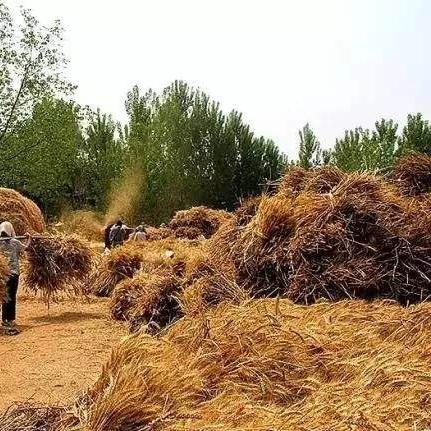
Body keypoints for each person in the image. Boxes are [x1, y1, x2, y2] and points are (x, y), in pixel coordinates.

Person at [0, 221, 29, 336]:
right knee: (11, 296)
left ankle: (4, 320)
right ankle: (9, 320)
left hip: (2, 274)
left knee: (3, 296)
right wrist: (29, 238)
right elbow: (26, 248)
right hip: (13, 274)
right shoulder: (15, 242)